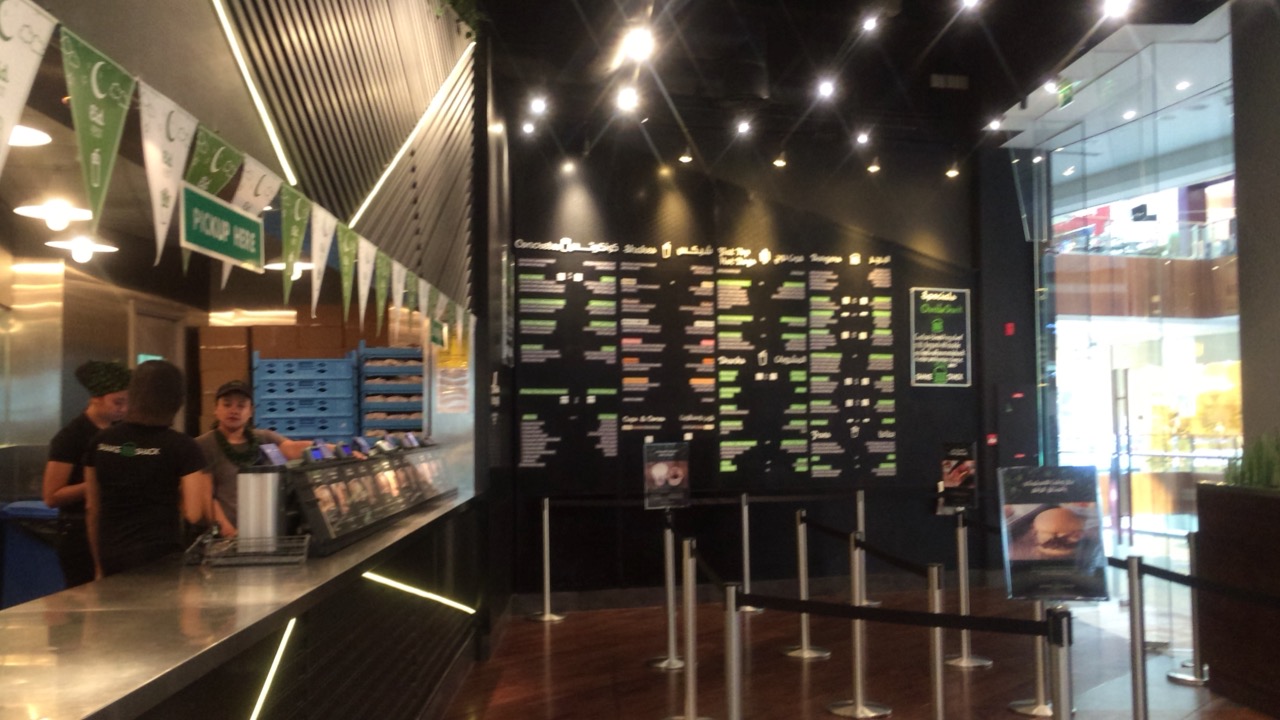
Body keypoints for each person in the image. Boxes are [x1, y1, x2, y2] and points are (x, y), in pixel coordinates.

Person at [84, 360, 214, 578]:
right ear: (176, 400)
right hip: (161, 557)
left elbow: (92, 508)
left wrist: (98, 566)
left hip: (112, 555)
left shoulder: (101, 441)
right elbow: (193, 513)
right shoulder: (182, 446)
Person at [43, 360, 131, 588]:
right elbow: (52, 496)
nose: (123, 409)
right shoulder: (70, 437)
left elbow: (129, 461)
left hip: (116, 529)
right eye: (118, 402)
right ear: (95, 398)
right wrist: (95, 483)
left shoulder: (121, 434)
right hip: (78, 532)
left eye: (127, 403)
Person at [195, 380, 311, 537]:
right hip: (225, 537)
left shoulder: (265, 438)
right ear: (216, 409)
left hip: (267, 532)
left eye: (241, 406)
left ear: (250, 411)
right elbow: (206, 497)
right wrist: (230, 534)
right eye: (227, 405)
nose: (234, 411)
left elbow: (292, 448)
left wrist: (336, 449)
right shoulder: (203, 445)